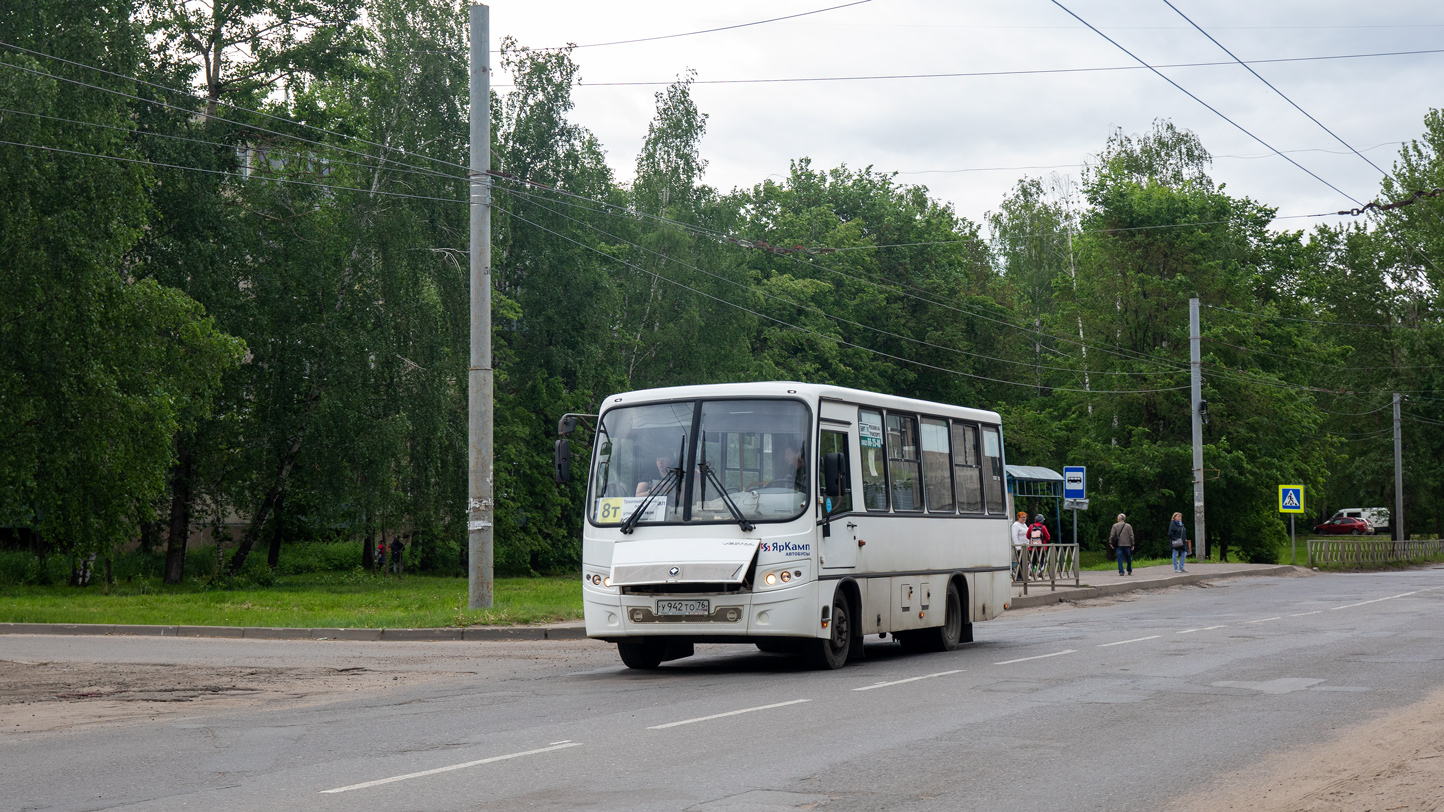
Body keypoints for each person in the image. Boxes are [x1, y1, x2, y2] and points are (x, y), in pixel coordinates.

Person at [1011, 511, 1030, 580]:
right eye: (1022, 517)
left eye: (1025, 517)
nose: (1024, 519)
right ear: (1018, 517)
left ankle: (1024, 575)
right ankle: (1019, 576)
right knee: (1020, 561)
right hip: (1020, 546)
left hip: (1026, 546)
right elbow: (1014, 536)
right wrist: (1018, 547)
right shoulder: (1016, 525)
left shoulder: (1024, 525)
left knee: (1025, 561)